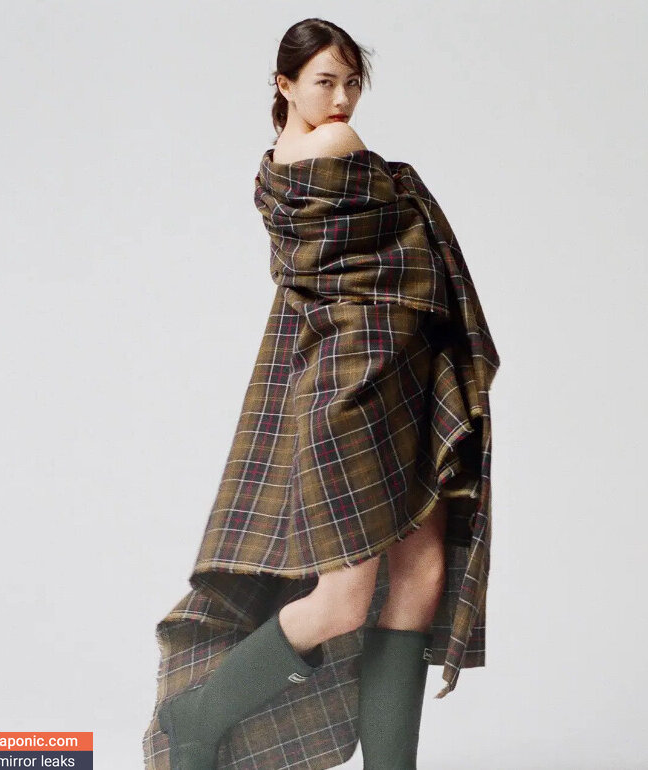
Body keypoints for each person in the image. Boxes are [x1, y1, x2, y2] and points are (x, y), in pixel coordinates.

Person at [143, 17, 500, 770]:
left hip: (397, 373)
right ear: (285, 85)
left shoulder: (274, 167)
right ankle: (196, 717)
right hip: (351, 392)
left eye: (351, 83)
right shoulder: (336, 147)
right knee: (342, 600)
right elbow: (396, 258)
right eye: (323, 82)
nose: (341, 100)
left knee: (422, 576)